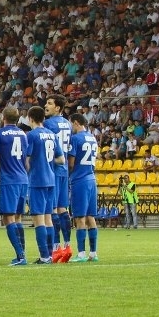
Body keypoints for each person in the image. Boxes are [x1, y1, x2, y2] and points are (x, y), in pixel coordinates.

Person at [26, 106, 64, 264]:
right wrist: (47, 161)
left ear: (31, 118)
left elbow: (26, 160)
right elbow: (61, 159)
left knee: (38, 219)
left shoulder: (31, 135)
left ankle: (44, 256)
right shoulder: (51, 134)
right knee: (48, 218)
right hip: (51, 180)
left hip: (37, 180)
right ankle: (50, 255)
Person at [0, 106, 29, 266]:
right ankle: (22, 254)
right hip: (23, 178)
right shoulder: (23, 134)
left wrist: (0, 176)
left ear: (3, 117)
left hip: (9, 179)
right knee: (18, 217)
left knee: (8, 217)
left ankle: (20, 256)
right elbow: (26, 161)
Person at [44, 94, 74, 263]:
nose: (45, 106)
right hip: (64, 171)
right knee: (63, 209)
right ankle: (67, 246)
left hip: (53, 169)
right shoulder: (68, 124)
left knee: (53, 209)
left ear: (58, 107)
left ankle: (56, 249)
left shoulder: (49, 124)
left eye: (49, 103)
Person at [67, 113, 100, 261]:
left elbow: (71, 163)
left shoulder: (75, 139)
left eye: (71, 124)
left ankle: (81, 253)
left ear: (76, 123)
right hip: (91, 179)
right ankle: (93, 253)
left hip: (79, 180)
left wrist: (67, 175)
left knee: (80, 217)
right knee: (90, 217)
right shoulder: (92, 138)